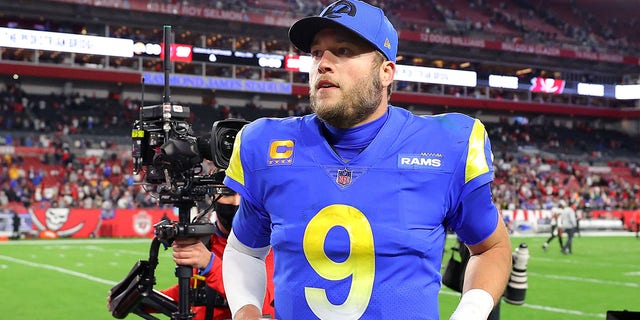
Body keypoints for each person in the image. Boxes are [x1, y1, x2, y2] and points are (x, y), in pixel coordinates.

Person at [221, 1, 512, 319]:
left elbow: (491, 247)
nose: (324, 64)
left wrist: (470, 311)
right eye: (317, 52)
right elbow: (244, 250)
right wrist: (246, 310)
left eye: (343, 51)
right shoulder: (266, 144)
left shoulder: (447, 143)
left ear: (386, 72)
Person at [108, 188, 275, 320]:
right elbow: (193, 293)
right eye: (228, 192)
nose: (237, 202)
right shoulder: (206, 240)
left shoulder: (266, 245)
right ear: (213, 195)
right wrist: (139, 298)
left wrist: (210, 264)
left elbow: (266, 310)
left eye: (245, 194)